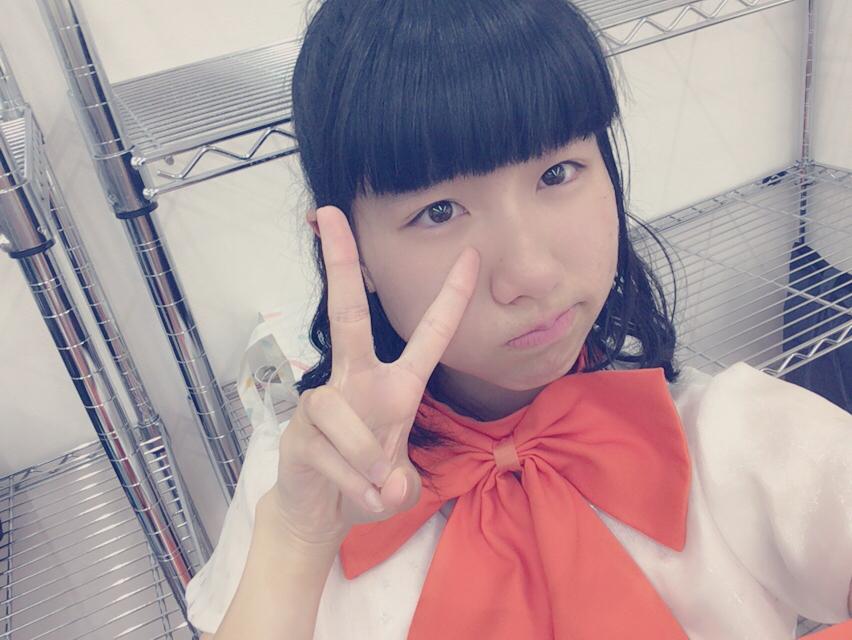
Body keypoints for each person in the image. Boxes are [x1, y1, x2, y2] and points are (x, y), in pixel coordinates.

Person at [184, 1, 852, 638]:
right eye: (439, 212)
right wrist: (295, 543)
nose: (530, 272)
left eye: (558, 173)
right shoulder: (297, 489)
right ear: (353, 251)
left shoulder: (733, 436)